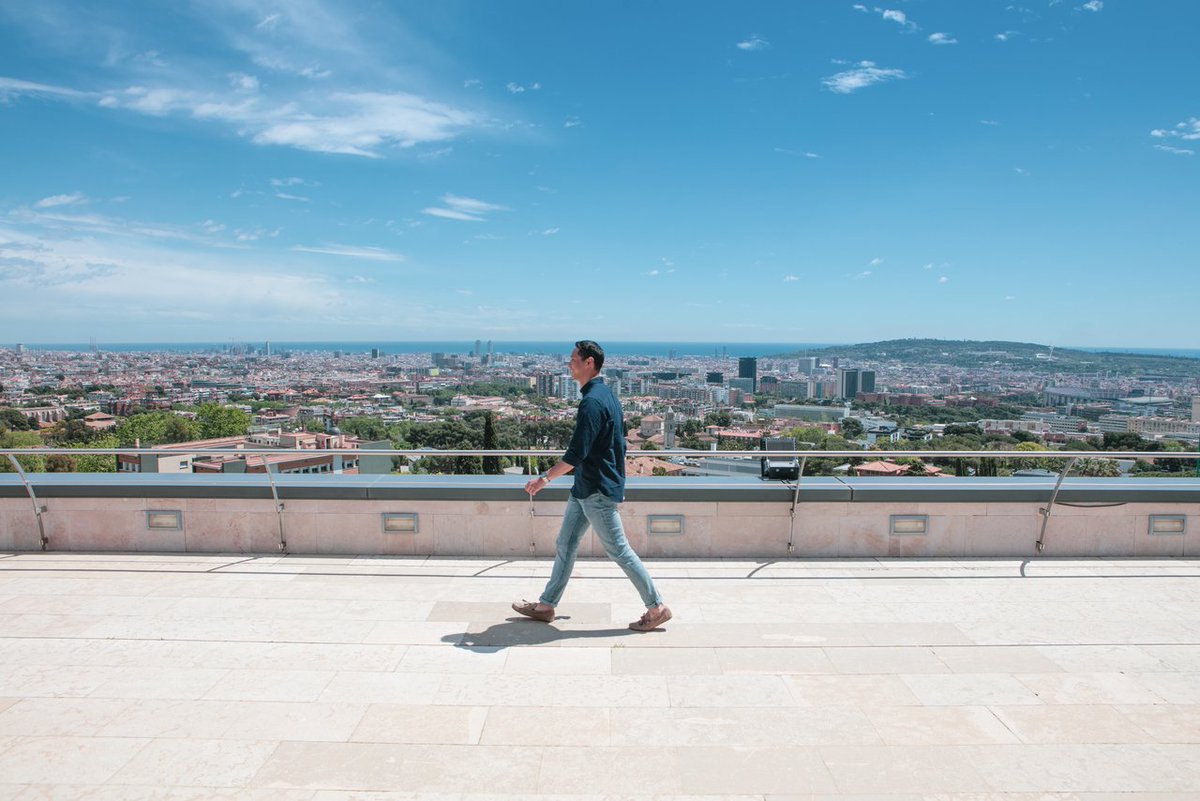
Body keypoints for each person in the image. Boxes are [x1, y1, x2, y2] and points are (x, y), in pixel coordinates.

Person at [512, 340, 672, 632]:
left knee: (619, 551)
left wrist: (543, 480)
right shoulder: (605, 394)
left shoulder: (592, 402)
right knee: (566, 543)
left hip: (596, 490)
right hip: (585, 488)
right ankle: (546, 605)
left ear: (589, 363)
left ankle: (656, 606)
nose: (569, 364)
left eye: (573, 359)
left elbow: (576, 454)